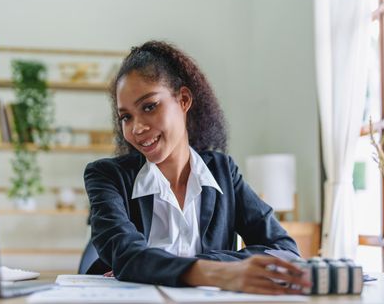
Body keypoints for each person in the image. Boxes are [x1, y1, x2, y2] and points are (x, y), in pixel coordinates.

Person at [84, 40, 311, 294]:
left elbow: (285, 250)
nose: (136, 128)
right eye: (126, 117)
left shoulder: (223, 172)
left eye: (149, 106)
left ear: (183, 100)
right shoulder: (105, 176)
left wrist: (190, 264)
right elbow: (126, 255)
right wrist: (220, 272)